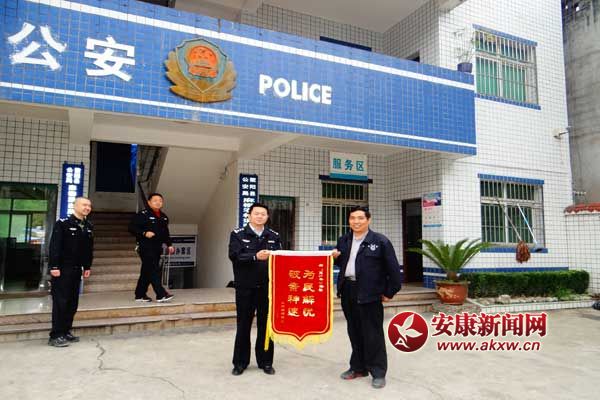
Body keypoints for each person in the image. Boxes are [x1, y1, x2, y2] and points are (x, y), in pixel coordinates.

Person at [332, 206, 402, 389]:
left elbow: (394, 270)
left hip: (370, 293)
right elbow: (344, 262)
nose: (356, 221)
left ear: (368, 220)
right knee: (354, 331)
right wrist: (335, 257)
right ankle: (358, 368)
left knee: (373, 334)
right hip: (348, 290)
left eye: (360, 218)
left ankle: (378, 372)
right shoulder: (344, 240)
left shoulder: (380, 241)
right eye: (352, 218)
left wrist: (389, 292)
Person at [228, 203, 282, 376]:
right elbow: (234, 256)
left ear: (267, 217)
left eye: (263, 214)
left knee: (266, 326)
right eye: (256, 213)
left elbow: (281, 260)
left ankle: (266, 362)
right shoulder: (238, 234)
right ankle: (240, 363)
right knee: (243, 325)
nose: (260, 216)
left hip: (267, 288)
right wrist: (255, 256)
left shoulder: (273, 235)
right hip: (245, 288)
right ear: (249, 216)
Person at [48, 197, 94, 347]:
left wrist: (87, 266)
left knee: (72, 303)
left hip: (76, 269)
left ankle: (66, 331)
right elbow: (55, 246)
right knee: (61, 302)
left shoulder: (88, 226)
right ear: (74, 206)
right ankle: (56, 335)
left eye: (89, 205)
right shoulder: (63, 224)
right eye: (84, 205)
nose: (87, 208)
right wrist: (54, 267)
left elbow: (88, 249)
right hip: (62, 269)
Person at [128, 193, 175, 303]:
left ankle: (139, 295)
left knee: (146, 271)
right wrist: (144, 233)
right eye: (155, 200)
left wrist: (169, 244)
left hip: (157, 247)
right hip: (145, 247)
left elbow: (165, 233)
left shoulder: (163, 217)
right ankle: (161, 294)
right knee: (153, 270)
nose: (158, 202)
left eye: (160, 201)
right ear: (149, 202)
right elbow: (131, 228)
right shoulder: (143, 215)